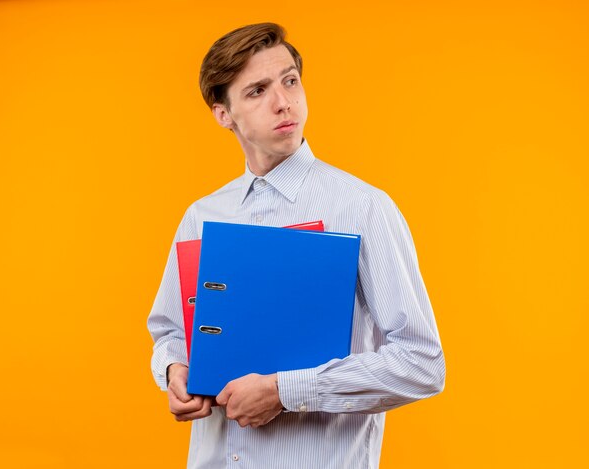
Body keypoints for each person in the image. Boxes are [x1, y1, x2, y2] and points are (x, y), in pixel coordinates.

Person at [147, 22, 445, 468]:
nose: (283, 101)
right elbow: (171, 330)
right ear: (223, 114)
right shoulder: (203, 216)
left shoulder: (364, 208)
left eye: (290, 81)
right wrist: (175, 370)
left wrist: (286, 393)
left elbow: (422, 364)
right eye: (257, 90)